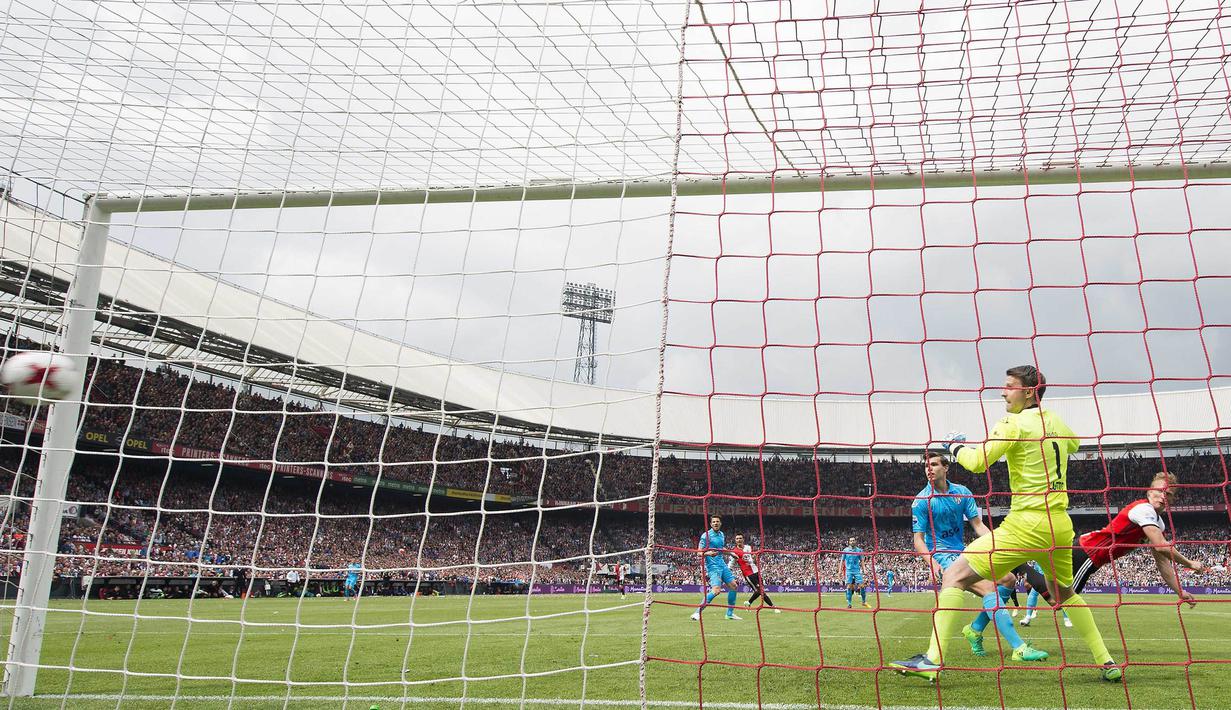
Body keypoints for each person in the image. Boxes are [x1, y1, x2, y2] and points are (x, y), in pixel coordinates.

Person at [892, 365, 1121, 683]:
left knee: (955, 575)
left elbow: (975, 462)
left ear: (1028, 391)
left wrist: (953, 446)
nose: (1003, 391)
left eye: (1009, 386)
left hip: (1026, 524)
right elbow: (1074, 444)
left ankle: (932, 660)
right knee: (1063, 593)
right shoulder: (1055, 421)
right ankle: (1106, 661)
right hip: (1059, 525)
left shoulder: (1013, 423)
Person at [910, 450, 1043, 662]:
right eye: (926, 466)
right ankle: (1019, 648)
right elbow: (918, 540)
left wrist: (998, 545)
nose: (929, 469)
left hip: (962, 550)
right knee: (990, 587)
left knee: (1008, 579)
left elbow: (978, 525)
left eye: (934, 464)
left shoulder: (962, 492)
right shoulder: (921, 501)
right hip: (942, 554)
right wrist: (932, 562)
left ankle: (975, 629)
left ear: (946, 467)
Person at [1018, 472, 1207, 612]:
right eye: (1160, 491)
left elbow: (1162, 563)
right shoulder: (1144, 509)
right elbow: (1161, 546)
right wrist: (1189, 563)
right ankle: (1022, 566)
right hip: (1088, 552)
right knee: (1059, 602)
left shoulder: (1158, 523)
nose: (1164, 496)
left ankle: (1026, 567)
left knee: (1058, 602)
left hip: (1090, 555)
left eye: (1170, 494)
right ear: (1150, 492)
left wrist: (1179, 591)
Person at [690, 515, 740, 621]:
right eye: (714, 522)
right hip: (713, 567)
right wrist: (708, 553)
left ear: (720, 523)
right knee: (716, 590)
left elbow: (721, 548)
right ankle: (697, 613)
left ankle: (729, 614)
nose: (716, 523)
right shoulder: (706, 536)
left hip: (722, 565)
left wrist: (731, 554)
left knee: (734, 586)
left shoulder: (722, 534)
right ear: (711, 524)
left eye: (717, 521)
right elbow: (699, 552)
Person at [730, 534, 780, 613]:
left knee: (759, 590)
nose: (739, 540)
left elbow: (752, 558)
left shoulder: (748, 547)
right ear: (735, 540)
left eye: (740, 538)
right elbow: (731, 563)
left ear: (743, 539)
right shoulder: (734, 551)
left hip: (755, 570)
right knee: (761, 591)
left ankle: (748, 603)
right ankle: (774, 607)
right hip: (748, 574)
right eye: (737, 538)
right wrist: (728, 570)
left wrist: (756, 557)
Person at [839, 537, 870, 609]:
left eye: (853, 540)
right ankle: (849, 604)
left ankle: (864, 602)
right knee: (849, 587)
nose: (852, 542)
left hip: (857, 571)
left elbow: (862, 561)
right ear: (849, 542)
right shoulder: (845, 550)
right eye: (851, 541)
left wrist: (864, 569)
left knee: (862, 586)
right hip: (849, 571)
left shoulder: (859, 550)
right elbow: (842, 561)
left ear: (855, 541)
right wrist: (840, 570)